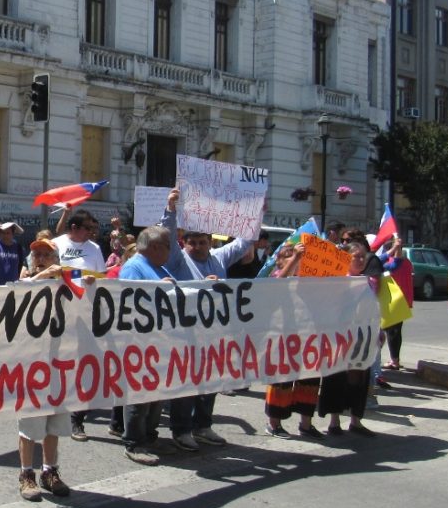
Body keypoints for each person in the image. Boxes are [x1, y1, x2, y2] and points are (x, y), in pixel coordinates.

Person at [160, 189, 253, 451]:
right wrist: (171, 209)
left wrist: (255, 212)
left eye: (203, 242)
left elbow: (244, 242)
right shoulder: (178, 260)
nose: (198, 247)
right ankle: (181, 430)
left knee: (211, 379)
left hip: (214, 330)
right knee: (187, 381)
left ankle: (203, 425)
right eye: (193, 243)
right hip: (186, 330)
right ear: (185, 244)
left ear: (210, 242)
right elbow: (167, 234)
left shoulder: (220, 258)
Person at [15, 237, 78, 500]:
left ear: (56, 261)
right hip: (32, 365)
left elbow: (96, 288)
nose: (40, 258)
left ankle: (50, 471)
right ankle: (26, 474)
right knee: (30, 422)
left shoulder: (68, 285)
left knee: (56, 420)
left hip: (61, 363)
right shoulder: (22, 286)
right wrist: (41, 278)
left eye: (46, 254)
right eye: (36, 254)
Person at [116, 226, 177, 465]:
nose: (171, 251)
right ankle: (133, 442)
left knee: (156, 394)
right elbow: (129, 302)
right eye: (168, 246)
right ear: (155, 247)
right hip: (139, 341)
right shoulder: (133, 267)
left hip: (159, 340)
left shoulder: (158, 267)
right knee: (140, 393)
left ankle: (150, 437)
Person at [317, 236, 379, 436]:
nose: (361, 260)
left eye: (363, 257)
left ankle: (356, 420)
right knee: (336, 377)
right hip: (340, 337)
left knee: (360, 378)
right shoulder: (338, 280)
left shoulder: (368, 281)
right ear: (346, 258)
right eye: (356, 257)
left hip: (363, 337)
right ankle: (334, 422)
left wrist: (379, 331)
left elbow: (373, 310)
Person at [263, 243, 324, 438]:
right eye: (289, 256)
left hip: (308, 336)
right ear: (280, 260)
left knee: (310, 380)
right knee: (282, 381)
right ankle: (274, 424)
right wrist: (295, 258)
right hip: (282, 337)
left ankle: (306, 424)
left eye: (298, 256)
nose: (296, 259)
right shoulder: (276, 277)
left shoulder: (309, 282)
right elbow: (280, 281)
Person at [55, 211, 106, 441]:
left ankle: (77, 419)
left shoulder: (94, 248)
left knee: (83, 364)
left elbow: (103, 276)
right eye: (87, 228)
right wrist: (76, 277)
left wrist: (94, 280)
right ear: (74, 227)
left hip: (84, 314)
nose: (91, 232)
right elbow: (43, 270)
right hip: (56, 313)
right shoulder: (55, 245)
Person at [380, 236, 413, 376]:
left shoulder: (393, 263)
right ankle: (395, 359)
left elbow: (395, 263)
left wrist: (396, 247)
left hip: (392, 301)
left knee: (390, 332)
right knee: (395, 331)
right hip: (403, 301)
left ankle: (394, 360)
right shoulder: (407, 262)